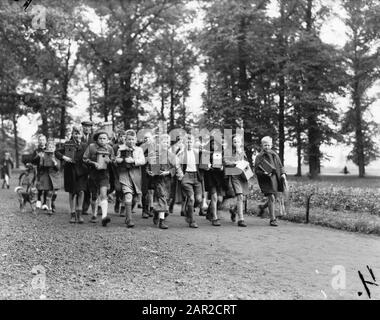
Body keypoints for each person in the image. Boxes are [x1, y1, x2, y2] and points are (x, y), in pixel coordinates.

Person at [146, 134, 183, 229]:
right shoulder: (154, 155)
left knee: (166, 200)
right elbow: (148, 167)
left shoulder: (171, 156)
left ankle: (156, 213)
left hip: (168, 181)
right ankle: (161, 222)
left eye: (167, 142)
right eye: (163, 142)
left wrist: (168, 172)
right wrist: (149, 172)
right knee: (162, 197)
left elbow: (175, 168)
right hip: (157, 181)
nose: (165, 144)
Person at [55, 126, 89, 224]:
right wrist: (64, 157)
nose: (77, 135)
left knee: (82, 191)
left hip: (82, 171)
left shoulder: (85, 145)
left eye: (79, 133)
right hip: (71, 171)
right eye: (75, 133)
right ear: (72, 134)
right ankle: (72, 214)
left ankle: (80, 213)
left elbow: (89, 156)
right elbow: (57, 152)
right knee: (72, 192)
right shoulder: (67, 144)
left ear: (81, 134)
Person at [83, 129, 115, 226]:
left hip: (104, 174)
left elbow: (113, 159)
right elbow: (84, 158)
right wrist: (93, 163)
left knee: (103, 194)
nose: (102, 140)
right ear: (96, 139)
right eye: (100, 138)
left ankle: (104, 217)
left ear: (108, 140)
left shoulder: (110, 148)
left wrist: (110, 161)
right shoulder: (91, 147)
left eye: (104, 138)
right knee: (94, 196)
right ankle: (94, 214)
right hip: (93, 174)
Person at [115, 130, 145, 228]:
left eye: (132, 139)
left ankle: (128, 214)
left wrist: (133, 161)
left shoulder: (139, 149)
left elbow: (143, 161)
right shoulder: (121, 148)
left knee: (135, 198)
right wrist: (119, 160)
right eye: (129, 139)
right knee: (128, 195)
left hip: (136, 175)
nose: (131, 141)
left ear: (135, 140)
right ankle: (129, 220)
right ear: (125, 139)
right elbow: (116, 159)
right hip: (125, 174)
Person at [254, 136, 287, 227]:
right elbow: (256, 170)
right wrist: (264, 173)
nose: (267, 147)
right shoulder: (259, 157)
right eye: (265, 145)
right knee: (271, 198)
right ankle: (273, 219)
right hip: (266, 181)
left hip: (275, 179)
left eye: (268, 145)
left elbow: (280, 166)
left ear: (271, 145)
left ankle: (262, 207)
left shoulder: (275, 154)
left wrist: (283, 173)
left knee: (274, 197)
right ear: (262, 145)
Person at [177, 134, 204, 228]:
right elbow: (177, 165)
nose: (189, 143)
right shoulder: (181, 153)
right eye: (187, 142)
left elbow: (205, 160)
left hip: (196, 176)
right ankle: (192, 221)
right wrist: (181, 175)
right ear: (184, 143)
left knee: (199, 199)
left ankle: (188, 210)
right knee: (191, 198)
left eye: (190, 142)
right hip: (186, 176)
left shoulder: (197, 152)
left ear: (193, 143)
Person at [223, 134, 249, 227]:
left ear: (240, 143)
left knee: (243, 198)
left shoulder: (242, 152)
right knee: (240, 196)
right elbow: (225, 161)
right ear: (232, 143)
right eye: (234, 142)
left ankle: (233, 210)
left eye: (238, 141)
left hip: (243, 176)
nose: (236, 143)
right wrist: (234, 163)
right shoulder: (228, 151)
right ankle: (241, 219)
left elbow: (246, 163)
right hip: (234, 175)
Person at [32, 139, 60, 215]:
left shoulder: (56, 156)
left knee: (55, 193)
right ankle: (49, 208)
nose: (50, 149)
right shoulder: (43, 156)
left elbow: (58, 168)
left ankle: (52, 203)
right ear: (46, 148)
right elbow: (39, 167)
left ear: (54, 148)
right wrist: (41, 161)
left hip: (54, 177)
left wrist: (55, 163)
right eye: (49, 147)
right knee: (49, 193)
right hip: (47, 176)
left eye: (52, 147)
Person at [203, 137, 225, 226]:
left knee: (220, 199)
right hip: (210, 177)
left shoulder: (222, 154)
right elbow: (203, 166)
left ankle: (209, 212)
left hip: (220, 178)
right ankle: (215, 218)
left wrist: (222, 167)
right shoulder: (206, 154)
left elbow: (226, 163)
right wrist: (207, 165)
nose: (214, 146)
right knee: (214, 197)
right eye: (212, 144)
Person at [140, 131, 155, 219]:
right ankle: (144, 210)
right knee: (144, 191)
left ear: (151, 138)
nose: (146, 139)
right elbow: (141, 161)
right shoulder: (141, 148)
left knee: (152, 191)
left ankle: (151, 209)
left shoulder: (155, 147)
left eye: (148, 137)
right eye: (145, 138)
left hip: (153, 171)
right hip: (143, 171)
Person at [113, 129, 127, 216]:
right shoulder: (115, 147)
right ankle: (118, 200)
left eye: (124, 136)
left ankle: (123, 207)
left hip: (126, 171)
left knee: (125, 189)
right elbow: (112, 158)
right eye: (120, 136)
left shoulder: (128, 146)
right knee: (118, 188)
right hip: (117, 170)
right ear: (118, 137)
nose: (122, 138)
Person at [81, 120, 94, 215]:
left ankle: (86, 206)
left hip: (90, 165)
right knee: (81, 186)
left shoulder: (94, 138)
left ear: (91, 128)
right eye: (85, 126)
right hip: (80, 165)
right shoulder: (78, 137)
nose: (86, 128)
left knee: (90, 186)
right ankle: (79, 206)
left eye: (88, 127)